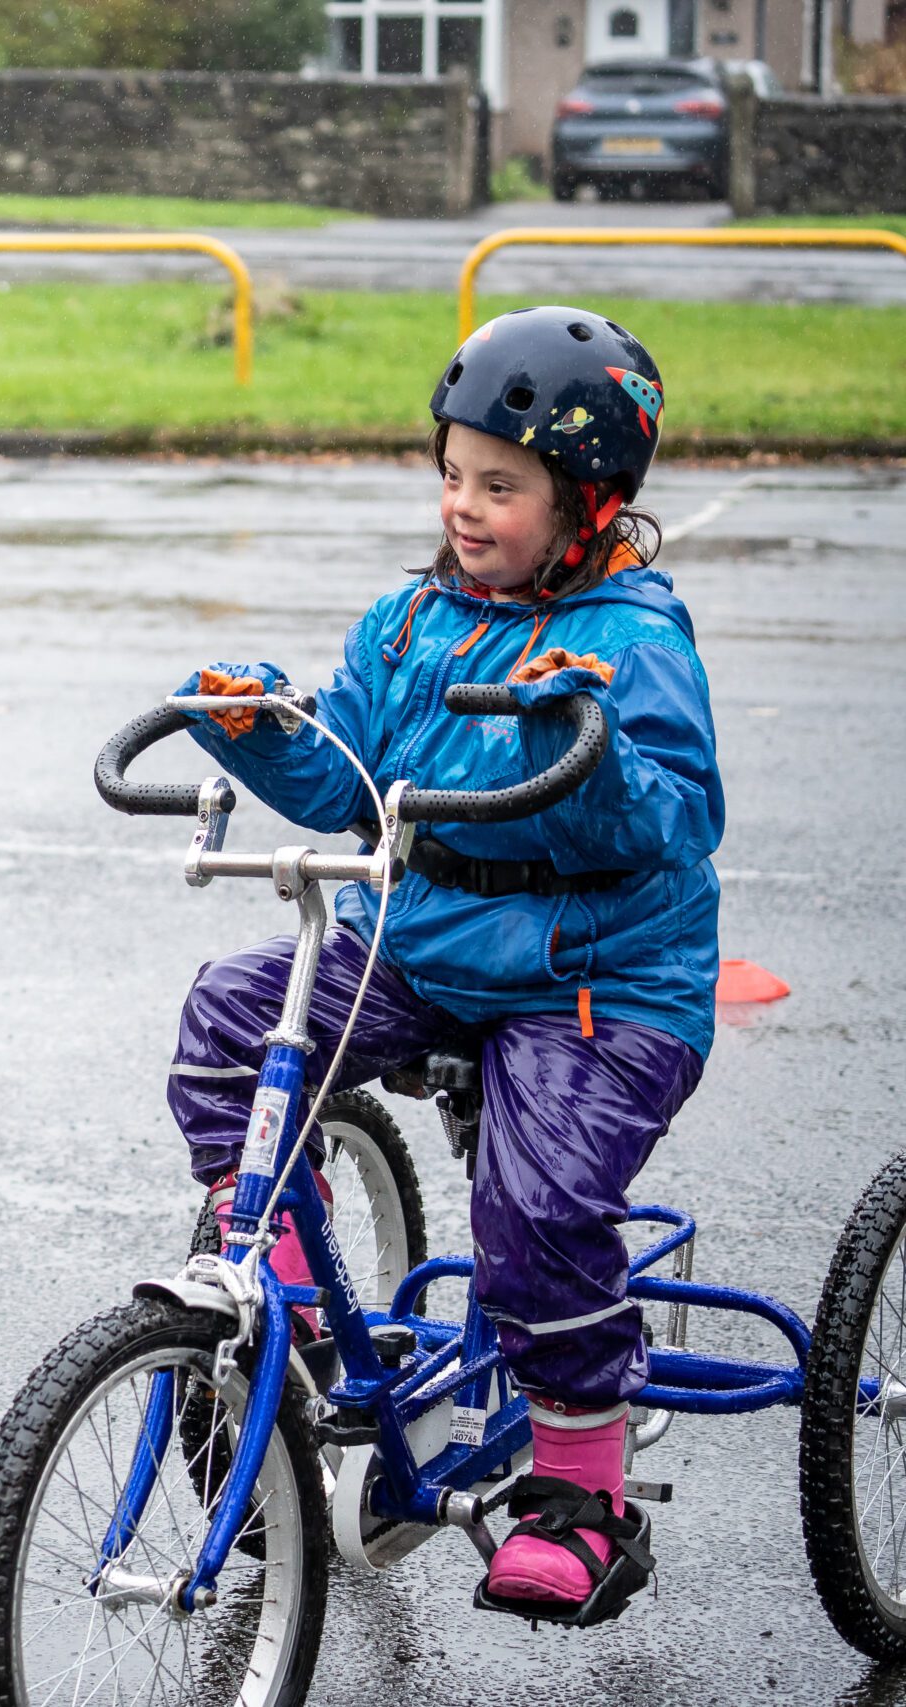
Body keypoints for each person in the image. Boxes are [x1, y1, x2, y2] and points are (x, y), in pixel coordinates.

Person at [167, 306, 721, 1623]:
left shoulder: (632, 637)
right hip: (421, 940)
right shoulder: (413, 624)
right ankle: (285, 1306)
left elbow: (673, 818)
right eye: (455, 474)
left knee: (532, 1219)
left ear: (587, 503)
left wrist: (573, 735)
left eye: (503, 486)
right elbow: (345, 778)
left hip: (597, 975)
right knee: (235, 1021)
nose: (465, 506)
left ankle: (583, 1494)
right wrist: (255, 726)